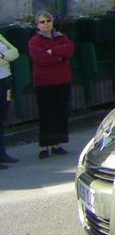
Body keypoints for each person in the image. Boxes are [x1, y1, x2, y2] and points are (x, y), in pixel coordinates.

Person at [28, 11, 74, 159]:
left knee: (60, 112)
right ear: (37, 25)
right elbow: (41, 58)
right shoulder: (34, 41)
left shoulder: (61, 37)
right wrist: (59, 58)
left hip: (62, 80)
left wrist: (53, 51)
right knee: (47, 114)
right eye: (42, 22)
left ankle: (56, 144)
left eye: (48, 21)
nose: (46, 24)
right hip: (44, 82)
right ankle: (44, 146)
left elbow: (69, 49)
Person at [0, 31, 20, 165]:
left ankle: (2, 153)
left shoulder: (0, 36)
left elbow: (15, 53)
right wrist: (5, 57)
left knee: (2, 118)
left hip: (5, 81)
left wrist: (2, 55)